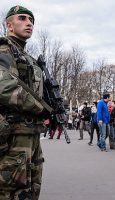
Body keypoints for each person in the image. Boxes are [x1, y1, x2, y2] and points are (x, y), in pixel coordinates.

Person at [0, 5, 46, 199]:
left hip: (30, 134)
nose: (29, 23)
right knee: (10, 190)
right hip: (12, 135)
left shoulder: (28, 57)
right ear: (9, 25)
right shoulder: (4, 48)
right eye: (23, 18)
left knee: (30, 189)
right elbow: (4, 86)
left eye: (31, 20)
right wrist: (41, 108)